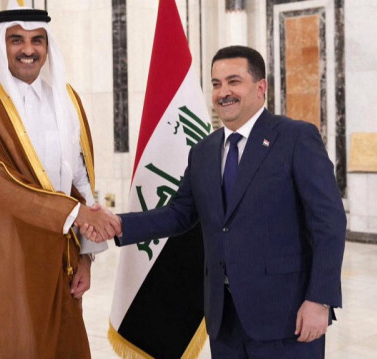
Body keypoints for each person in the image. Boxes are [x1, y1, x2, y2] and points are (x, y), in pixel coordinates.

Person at [83, 45, 346, 358]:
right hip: (224, 318)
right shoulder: (203, 151)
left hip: (287, 315)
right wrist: (118, 224)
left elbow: (329, 223)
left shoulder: (296, 138)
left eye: (234, 81)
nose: (224, 93)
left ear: (260, 87)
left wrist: (319, 299)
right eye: (217, 84)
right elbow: (180, 214)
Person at [0, 1, 118, 357]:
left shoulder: (65, 98)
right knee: (9, 344)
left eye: (37, 40)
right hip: (4, 257)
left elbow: (79, 180)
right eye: (16, 40)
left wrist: (86, 256)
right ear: (0, 44)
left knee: (63, 345)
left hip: (61, 258)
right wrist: (80, 215)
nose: (28, 50)